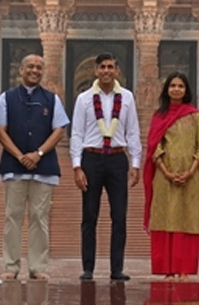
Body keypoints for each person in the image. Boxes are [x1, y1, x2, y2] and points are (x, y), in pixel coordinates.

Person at [0, 55, 69, 280]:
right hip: (13, 166)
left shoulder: (51, 99)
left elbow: (59, 130)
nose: (35, 71)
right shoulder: (6, 98)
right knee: (12, 217)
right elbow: (0, 130)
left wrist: (38, 154)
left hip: (43, 167)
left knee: (39, 217)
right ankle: (11, 266)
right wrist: (19, 155)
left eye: (39, 67)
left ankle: (38, 267)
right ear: (21, 70)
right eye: (30, 67)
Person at [70, 52, 142, 281]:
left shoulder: (128, 98)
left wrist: (136, 163)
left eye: (111, 67)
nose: (106, 71)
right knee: (89, 215)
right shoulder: (84, 99)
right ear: (96, 70)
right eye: (102, 67)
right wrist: (77, 166)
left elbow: (133, 131)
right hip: (91, 158)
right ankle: (88, 268)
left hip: (117, 159)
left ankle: (116, 268)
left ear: (117, 71)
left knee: (119, 215)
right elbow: (77, 134)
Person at [143, 71, 199, 282]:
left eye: (181, 86)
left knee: (186, 219)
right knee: (166, 218)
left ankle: (184, 270)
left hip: (190, 178)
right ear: (167, 90)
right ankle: (168, 270)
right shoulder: (159, 116)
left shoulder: (195, 115)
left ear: (186, 90)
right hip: (164, 178)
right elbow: (154, 146)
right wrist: (167, 172)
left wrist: (190, 171)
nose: (176, 89)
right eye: (173, 86)